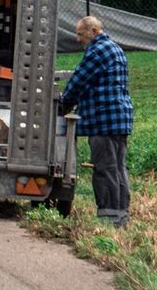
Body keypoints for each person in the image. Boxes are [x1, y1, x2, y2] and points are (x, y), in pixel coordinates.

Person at [61, 15, 133, 227]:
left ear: (94, 31)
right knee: (118, 167)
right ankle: (121, 216)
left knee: (105, 168)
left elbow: (78, 81)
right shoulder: (115, 48)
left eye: (80, 34)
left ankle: (109, 218)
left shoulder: (97, 51)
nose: (77, 39)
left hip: (104, 120)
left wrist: (63, 105)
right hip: (119, 119)